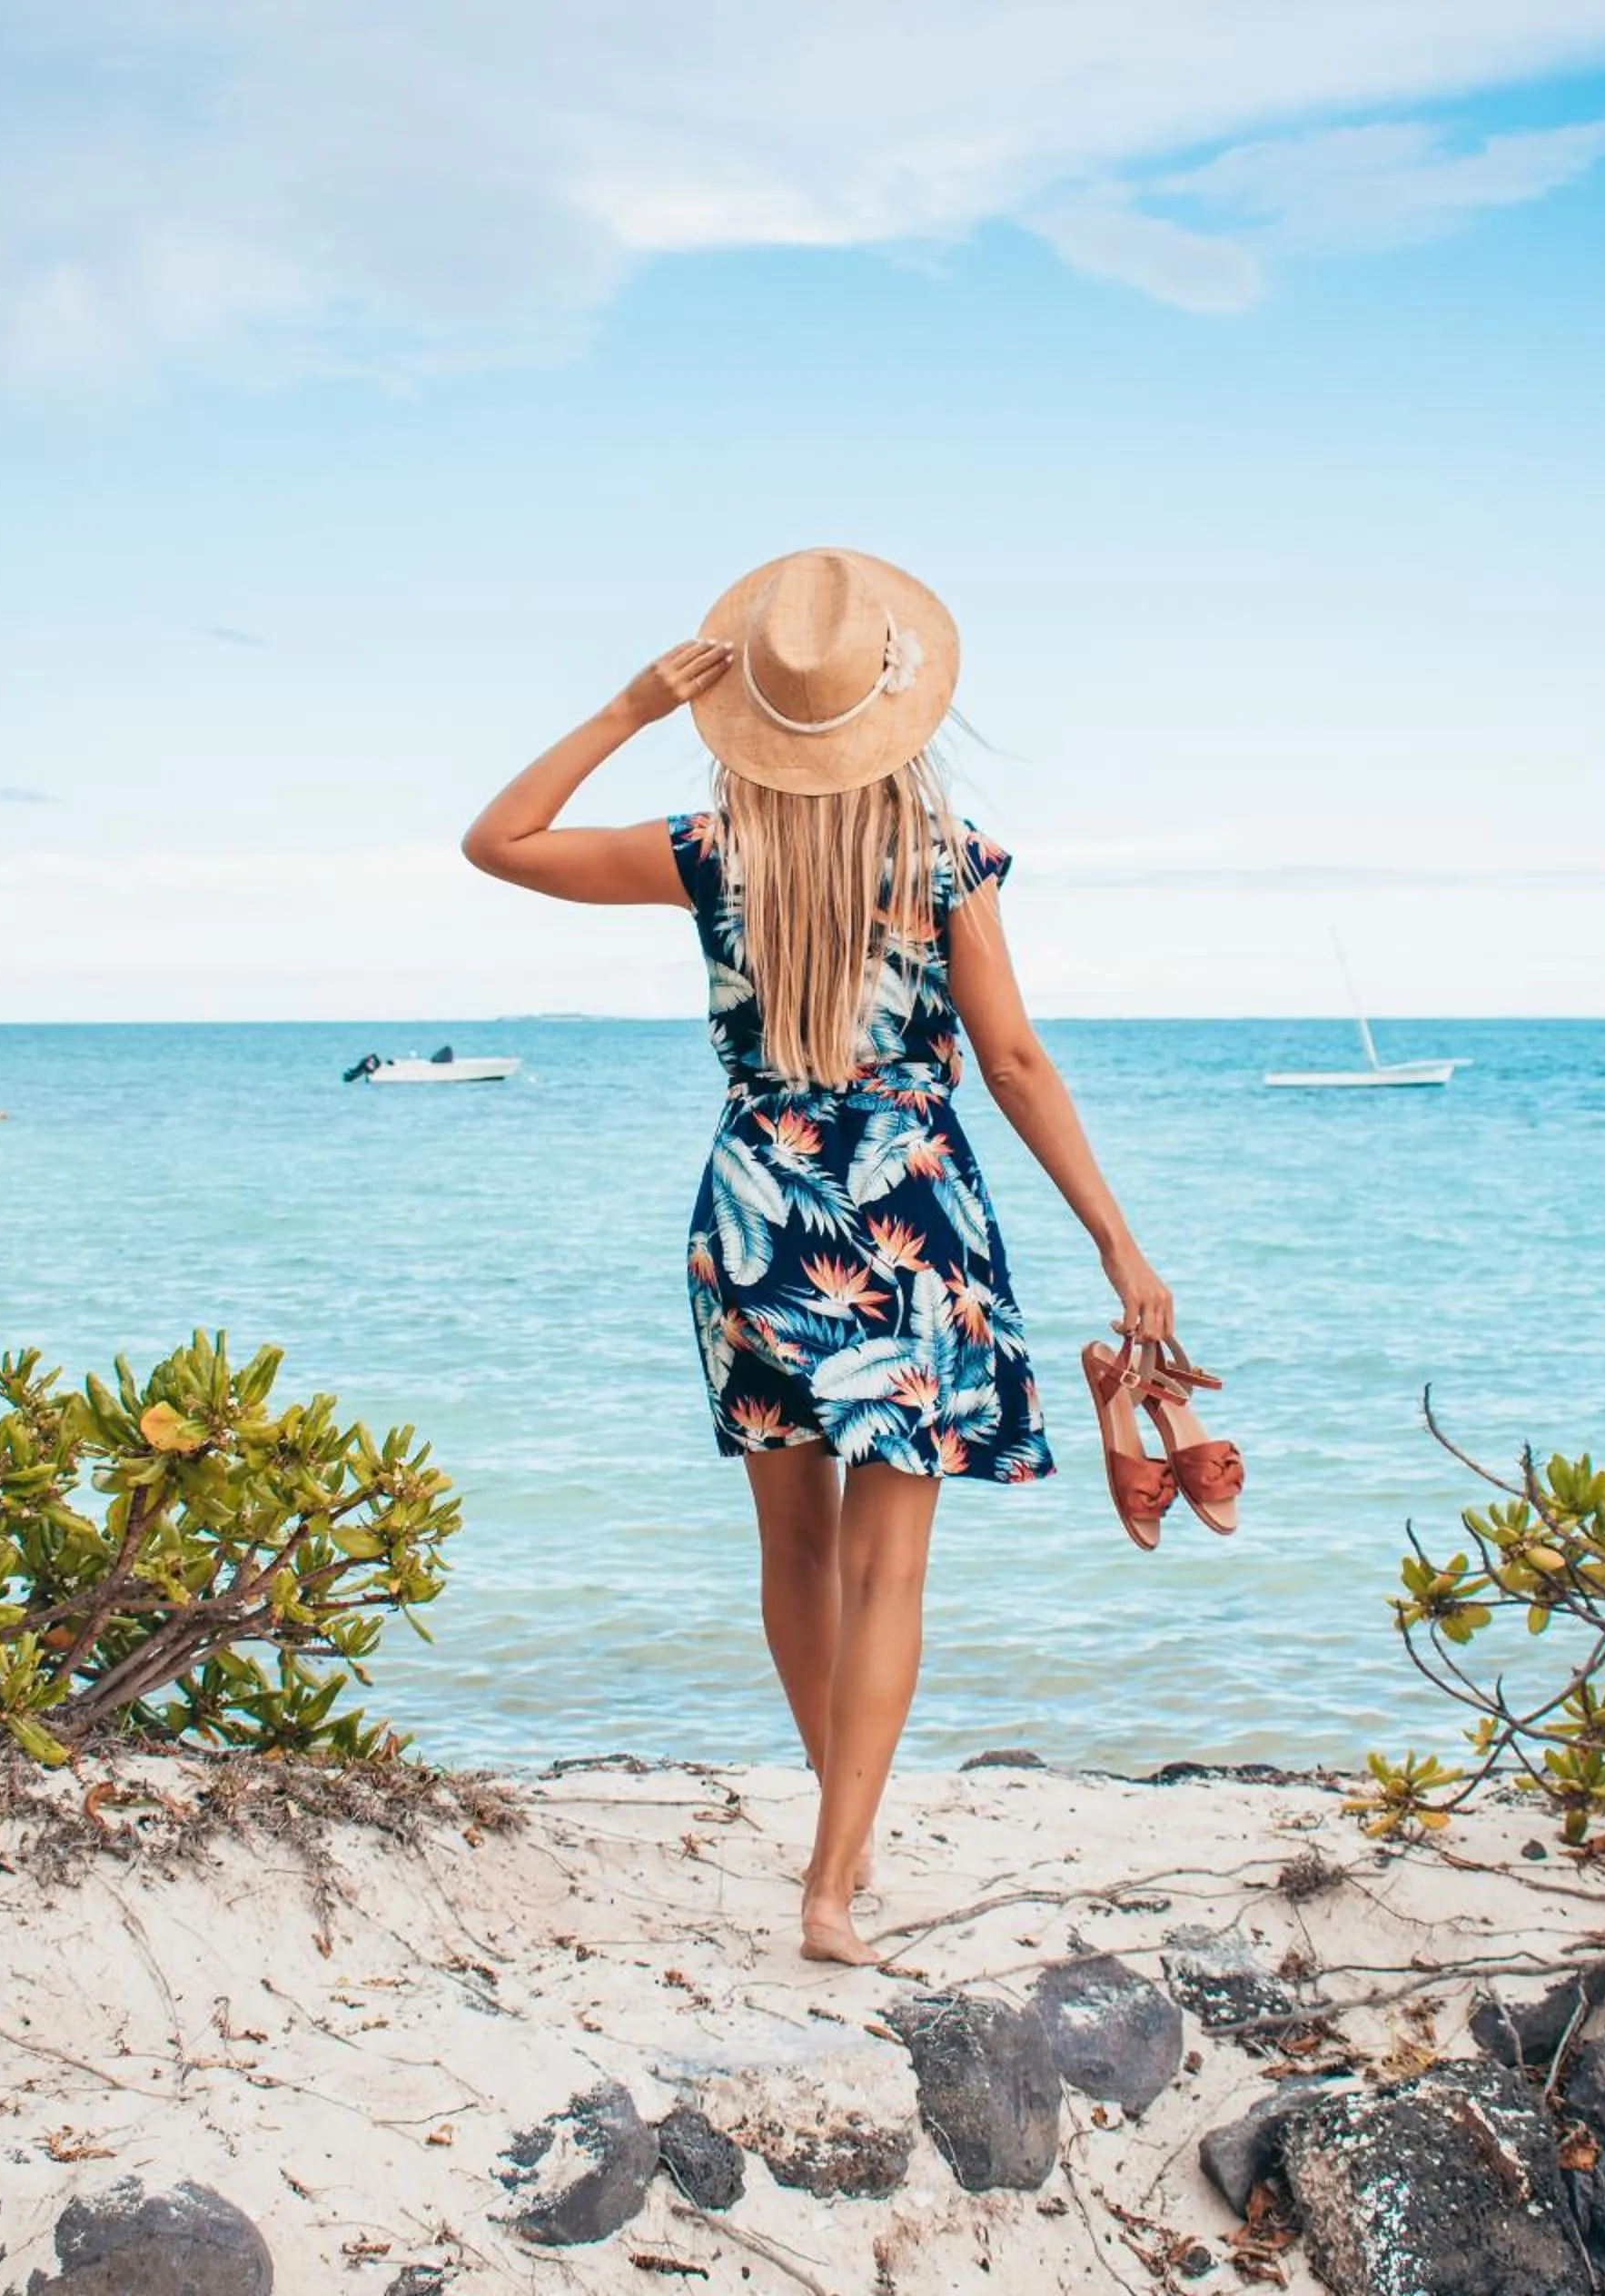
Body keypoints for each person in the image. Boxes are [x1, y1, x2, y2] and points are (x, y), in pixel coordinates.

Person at [462, 547, 1174, 1964]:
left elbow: (501, 841)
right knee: (886, 1575)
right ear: (897, 705)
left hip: (755, 1211)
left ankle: (835, 1843)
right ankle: (833, 1884)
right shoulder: (945, 863)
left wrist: (626, 707)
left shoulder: (705, 851)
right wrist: (1119, 1242)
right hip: (908, 1217)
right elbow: (1017, 1062)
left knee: (793, 1548)